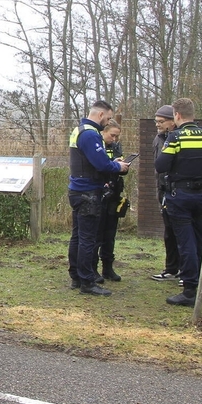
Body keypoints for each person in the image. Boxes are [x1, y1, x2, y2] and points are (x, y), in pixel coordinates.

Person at [155, 98, 202, 306]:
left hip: (180, 196)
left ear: (177, 115)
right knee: (200, 241)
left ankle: (189, 290)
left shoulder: (175, 138)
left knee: (185, 242)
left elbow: (160, 165)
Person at [67, 100, 130, 296]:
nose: (109, 122)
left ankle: (76, 277)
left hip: (77, 190)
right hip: (88, 192)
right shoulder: (90, 134)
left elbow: (91, 160)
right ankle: (87, 281)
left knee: (78, 236)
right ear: (101, 115)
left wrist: (110, 162)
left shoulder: (79, 130)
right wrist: (118, 166)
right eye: (108, 118)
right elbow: (101, 164)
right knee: (88, 238)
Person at [93, 119, 127, 282]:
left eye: (117, 136)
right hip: (100, 194)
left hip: (114, 193)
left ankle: (108, 268)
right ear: (103, 132)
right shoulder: (96, 146)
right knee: (97, 234)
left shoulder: (116, 146)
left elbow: (122, 170)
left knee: (110, 234)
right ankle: (93, 269)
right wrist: (112, 165)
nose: (114, 139)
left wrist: (122, 166)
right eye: (112, 135)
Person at [150, 104, 180, 282]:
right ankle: (171, 268)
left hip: (177, 191)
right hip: (163, 190)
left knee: (181, 232)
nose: (158, 125)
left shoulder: (177, 138)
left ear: (173, 121)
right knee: (169, 232)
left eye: (161, 121)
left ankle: (185, 269)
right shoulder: (158, 139)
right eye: (156, 121)